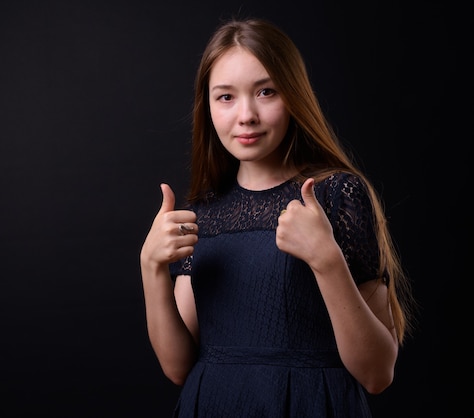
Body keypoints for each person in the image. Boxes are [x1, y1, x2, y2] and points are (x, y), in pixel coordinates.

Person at [139, 17, 415, 417]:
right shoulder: (205, 211)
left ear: (294, 95)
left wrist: (327, 261)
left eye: (266, 91)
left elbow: (377, 374)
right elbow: (178, 367)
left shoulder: (338, 194)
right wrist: (151, 268)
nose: (246, 115)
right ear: (208, 106)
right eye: (226, 97)